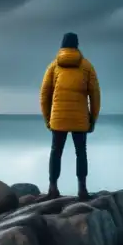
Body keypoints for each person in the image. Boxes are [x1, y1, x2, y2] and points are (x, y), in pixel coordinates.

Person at [39, 32, 101, 200]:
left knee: (56, 152)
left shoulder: (53, 67)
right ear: (77, 46)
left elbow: (44, 95)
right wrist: (93, 119)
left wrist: (47, 119)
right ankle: (82, 189)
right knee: (81, 152)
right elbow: (95, 95)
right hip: (80, 119)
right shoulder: (87, 66)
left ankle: (53, 188)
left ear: (62, 46)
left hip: (58, 119)